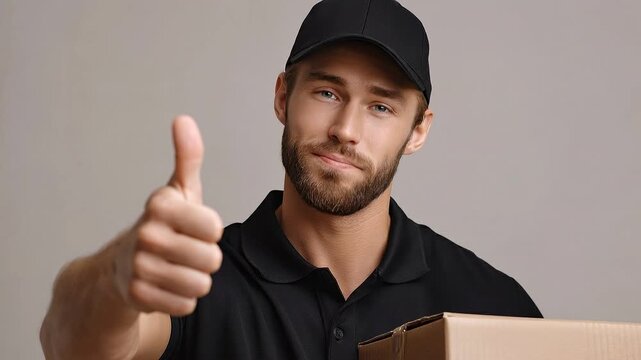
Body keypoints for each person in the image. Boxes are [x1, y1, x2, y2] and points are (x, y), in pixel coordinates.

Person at [40, 0, 542, 359]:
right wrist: (114, 281)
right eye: (326, 93)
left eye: (381, 106)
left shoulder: (490, 307)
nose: (346, 130)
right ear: (283, 96)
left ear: (418, 130)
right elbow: (69, 346)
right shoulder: (195, 280)